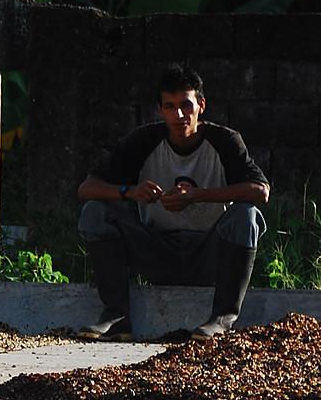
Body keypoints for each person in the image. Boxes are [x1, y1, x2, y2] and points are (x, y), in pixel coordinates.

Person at [76, 66, 269, 340]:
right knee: (95, 212)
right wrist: (129, 192)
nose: (179, 115)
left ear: (201, 105)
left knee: (246, 216)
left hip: (208, 253)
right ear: (160, 110)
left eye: (186, 105)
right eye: (170, 106)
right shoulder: (144, 140)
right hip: (156, 249)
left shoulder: (225, 140)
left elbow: (261, 191)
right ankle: (116, 317)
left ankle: (222, 319)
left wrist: (197, 195)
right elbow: (86, 189)